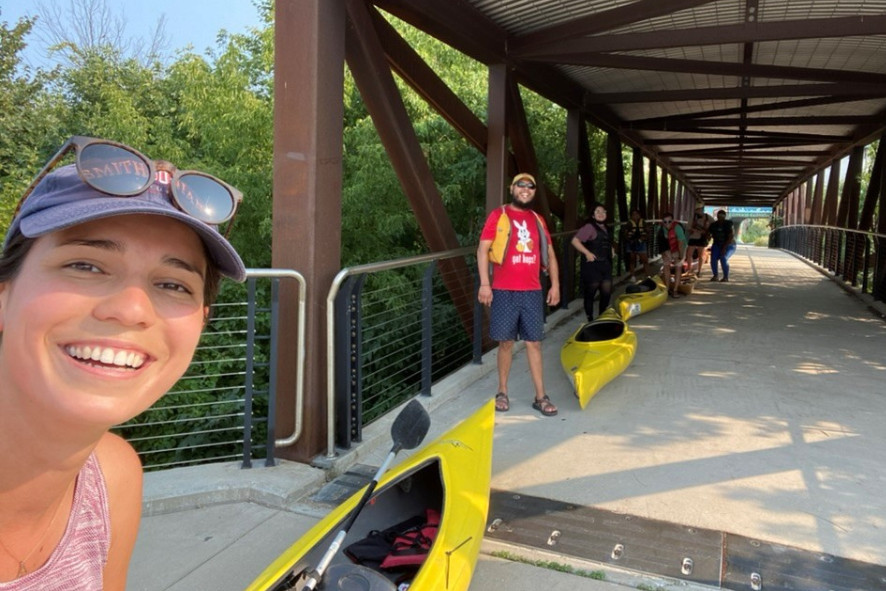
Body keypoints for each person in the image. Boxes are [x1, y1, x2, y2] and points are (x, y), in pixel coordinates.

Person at [0, 136, 245, 589]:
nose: (132, 309)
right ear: (4, 293)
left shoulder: (112, 479)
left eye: (174, 285)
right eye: (86, 266)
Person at [477, 173, 560, 417]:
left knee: (534, 343)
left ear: (534, 191)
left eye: (530, 186)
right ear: (511, 188)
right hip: (504, 289)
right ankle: (502, 391)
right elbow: (482, 250)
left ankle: (540, 396)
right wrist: (484, 283)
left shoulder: (537, 219)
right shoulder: (499, 215)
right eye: (520, 185)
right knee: (506, 343)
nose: (525, 189)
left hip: (532, 290)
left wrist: (555, 285)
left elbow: (551, 254)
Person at [571, 203, 615, 322]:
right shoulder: (589, 227)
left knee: (606, 293)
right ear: (593, 215)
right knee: (590, 294)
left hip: (605, 265)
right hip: (592, 266)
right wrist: (587, 253)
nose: (601, 214)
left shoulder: (607, 227)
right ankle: (590, 319)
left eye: (603, 212)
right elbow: (575, 241)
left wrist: (611, 249)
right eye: (597, 212)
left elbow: (606, 241)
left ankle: (601, 317)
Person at [656, 213, 687, 298]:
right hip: (667, 247)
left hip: (678, 247)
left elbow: (681, 244)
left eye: (669, 221)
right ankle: (667, 288)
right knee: (666, 265)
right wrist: (665, 254)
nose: (667, 224)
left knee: (678, 266)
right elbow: (661, 245)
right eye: (665, 222)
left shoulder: (678, 228)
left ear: (672, 221)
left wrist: (680, 257)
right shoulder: (660, 229)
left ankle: (675, 290)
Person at [708, 209, 736, 282]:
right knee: (713, 258)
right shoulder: (713, 225)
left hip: (729, 245)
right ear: (717, 216)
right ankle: (715, 276)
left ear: (724, 217)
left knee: (723, 258)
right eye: (719, 216)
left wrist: (724, 248)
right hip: (717, 244)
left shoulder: (729, 224)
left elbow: (731, 237)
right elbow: (708, 235)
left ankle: (725, 277)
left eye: (722, 216)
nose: (720, 218)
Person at [685, 205, 712, 276]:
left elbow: (714, 225)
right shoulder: (693, 217)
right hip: (693, 237)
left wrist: (708, 232)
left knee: (701, 255)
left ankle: (699, 271)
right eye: (697, 210)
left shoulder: (708, 217)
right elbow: (688, 227)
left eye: (699, 210)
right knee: (689, 254)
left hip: (702, 238)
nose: (698, 211)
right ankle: (689, 270)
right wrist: (693, 230)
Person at [622, 208, 650, 276]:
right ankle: (633, 276)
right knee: (632, 260)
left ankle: (648, 275)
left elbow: (648, 232)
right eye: (633, 215)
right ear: (631, 216)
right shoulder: (629, 224)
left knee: (645, 260)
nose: (635, 216)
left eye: (637, 214)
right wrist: (630, 240)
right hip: (631, 243)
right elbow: (625, 234)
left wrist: (643, 239)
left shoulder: (643, 222)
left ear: (639, 215)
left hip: (641, 243)